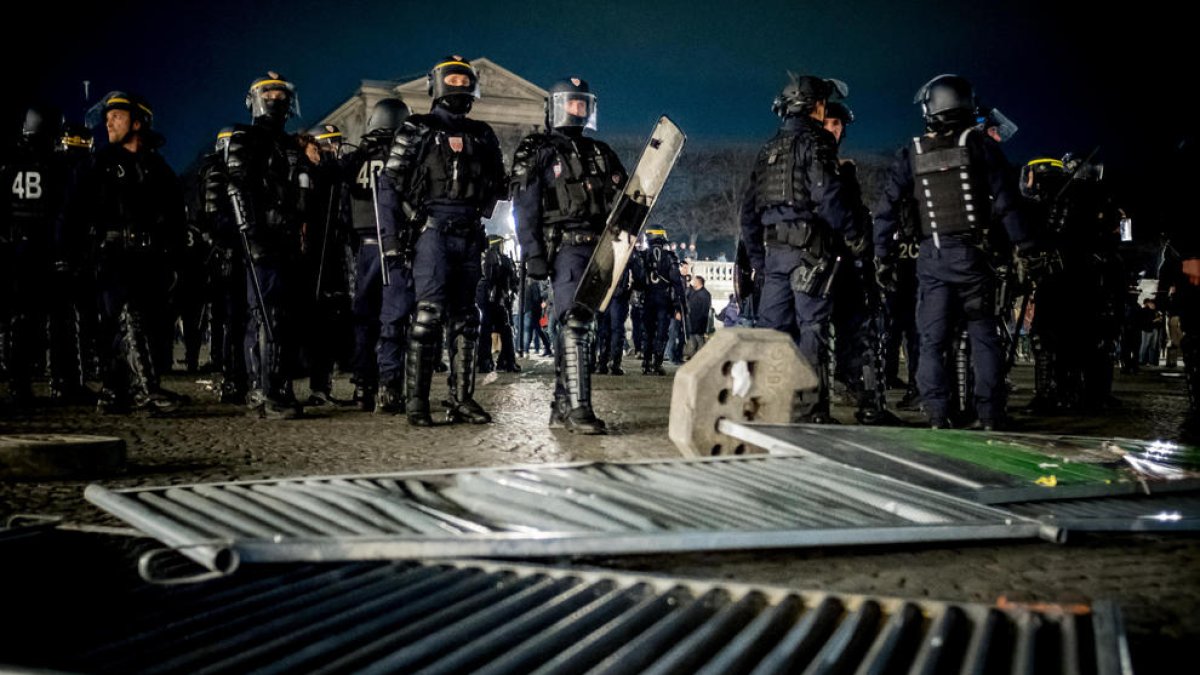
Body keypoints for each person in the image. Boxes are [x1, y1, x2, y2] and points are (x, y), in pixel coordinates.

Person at [873, 74, 1040, 429]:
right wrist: (1027, 247)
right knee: (984, 335)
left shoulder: (913, 151)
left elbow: (886, 208)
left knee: (931, 340)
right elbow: (1009, 203)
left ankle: (937, 413)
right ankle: (990, 415)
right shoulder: (979, 145)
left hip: (931, 258)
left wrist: (882, 255)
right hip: (972, 257)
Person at [378, 56, 507, 426]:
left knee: (467, 318)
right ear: (437, 84)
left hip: (469, 234)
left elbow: (499, 183)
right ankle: (417, 400)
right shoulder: (415, 129)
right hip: (431, 232)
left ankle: (461, 399)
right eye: (451, 78)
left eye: (464, 79)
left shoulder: (482, 133)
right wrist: (391, 241)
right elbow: (389, 187)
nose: (458, 85)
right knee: (428, 316)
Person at [740, 72, 865, 422]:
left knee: (772, 332)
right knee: (813, 329)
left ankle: (768, 405)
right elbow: (828, 197)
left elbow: (748, 213)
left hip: (774, 255)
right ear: (815, 105)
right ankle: (811, 410)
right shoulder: (818, 142)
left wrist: (759, 260)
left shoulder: (767, 149)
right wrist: (856, 237)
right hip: (810, 252)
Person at [511, 76, 627, 432]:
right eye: (572, 104)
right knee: (575, 321)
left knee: (581, 326)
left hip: (599, 246)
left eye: (583, 104)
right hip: (563, 244)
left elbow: (624, 197)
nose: (578, 110)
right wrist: (532, 254)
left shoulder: (601, 151)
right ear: (557, 107)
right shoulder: (537, 149)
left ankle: (562, 405)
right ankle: (578, 410)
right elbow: (524, 204)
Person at [71, 92, 186, 413]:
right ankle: (147, 389)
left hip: (149, 258)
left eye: (117, 116)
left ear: (137, 123)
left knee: (140, 324)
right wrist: (69, 255)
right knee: (127, 314)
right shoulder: (97, 165)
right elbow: (73, 212)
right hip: (111, 256)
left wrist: (175, 258)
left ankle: (114, 392)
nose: (108, 122)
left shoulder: (158, 168)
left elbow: (176, 216)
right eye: (107, 117)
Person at [223, 72, 312, 418]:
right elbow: (237, 187)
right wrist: (250, 234)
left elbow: (302, 189)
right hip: (262, 237)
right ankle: (264, 391)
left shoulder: (291, 144)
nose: (276, 99)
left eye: (281, 93)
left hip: (288, 237)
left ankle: (279, 384)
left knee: (285, 316)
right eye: (269, 93)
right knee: (265, 313)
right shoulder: (245, 137)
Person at [343, 98, 413, 413]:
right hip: (396, 243)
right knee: (394, 316)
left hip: (365, 245)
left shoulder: (357, 157)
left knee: (363, 316)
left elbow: (342, 199)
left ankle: (362, 384)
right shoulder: (406, 156)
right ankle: (390, 381)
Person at [637, 228, 685, 375]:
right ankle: (657, 364)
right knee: (661, 333)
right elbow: (677, 282)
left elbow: (639, 280)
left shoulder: (643, 256)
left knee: (648, 332)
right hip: (664, 300)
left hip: (648, 299)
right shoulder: (670, 257)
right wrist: (680, 303)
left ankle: (646, 363)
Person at [684, 275, 712, 358]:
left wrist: (700, 321)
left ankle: (701, 356)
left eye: (694, 281)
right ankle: (694, 356)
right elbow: (686, 295)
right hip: (692, 320)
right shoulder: (694, 291)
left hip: (699, 322)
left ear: (699, 283)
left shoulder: (705, 294)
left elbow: (704, 310)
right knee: (693, 340)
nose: (693, 282)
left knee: (699, 339)